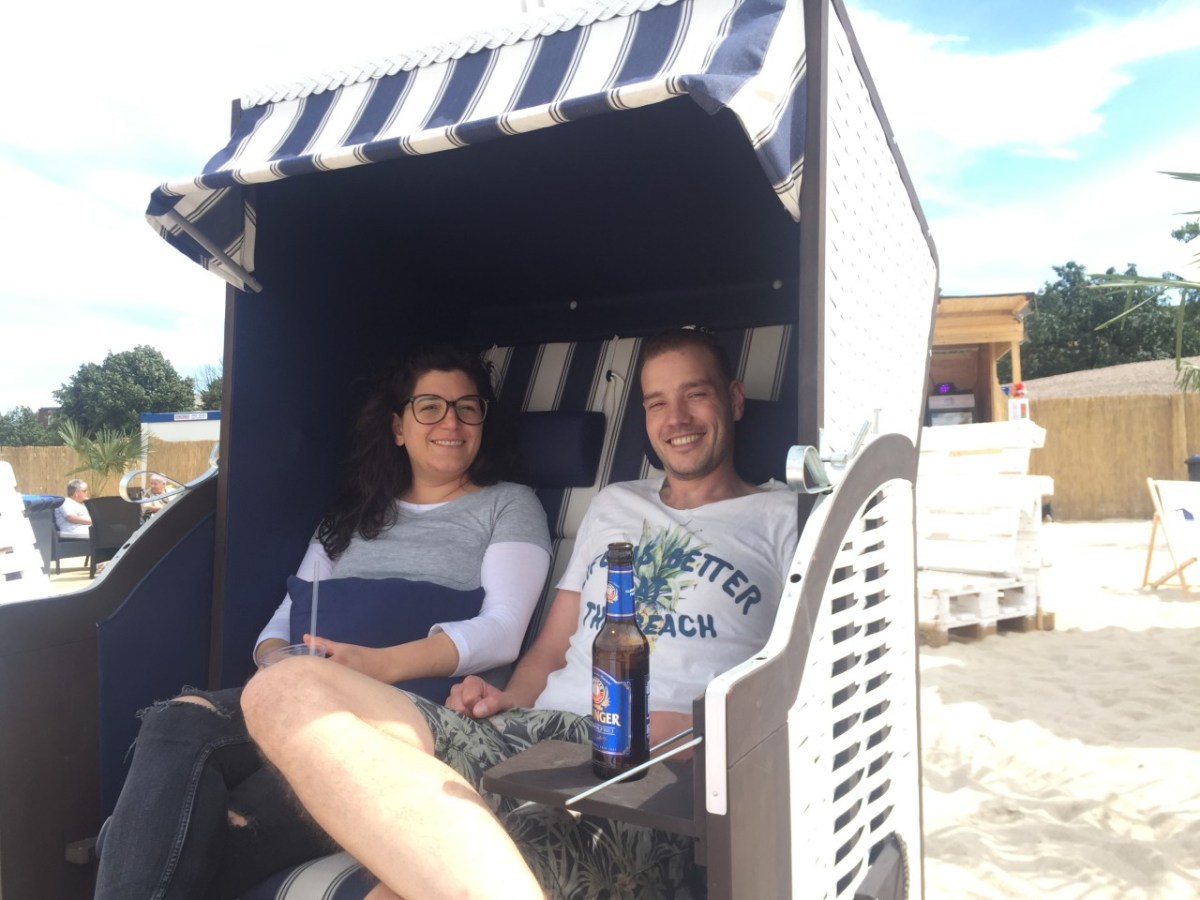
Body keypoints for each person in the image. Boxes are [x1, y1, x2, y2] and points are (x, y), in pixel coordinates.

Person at [242, 328, 800, 899]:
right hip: (532, 735)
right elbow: (552, 647)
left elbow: (808, 685)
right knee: (280, 689)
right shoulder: (615, 505)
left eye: (696, 395)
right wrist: (507, 698)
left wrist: (703, 734)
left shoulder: (790, 518)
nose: (676, 417)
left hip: (652, 762)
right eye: (657, 402)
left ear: (733, 398)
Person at [93, 345, 553, 900]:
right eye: (429, 406)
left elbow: (503, 630)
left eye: (466, 407)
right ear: (399, 426)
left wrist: (374, 666)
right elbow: (284, 620)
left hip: (410, 711)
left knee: (201, 823)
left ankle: (127, 848)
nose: (450, 421)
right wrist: (277, 661)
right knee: (176, 720)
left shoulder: (509, 505)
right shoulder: (350, 517)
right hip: (305, 691)